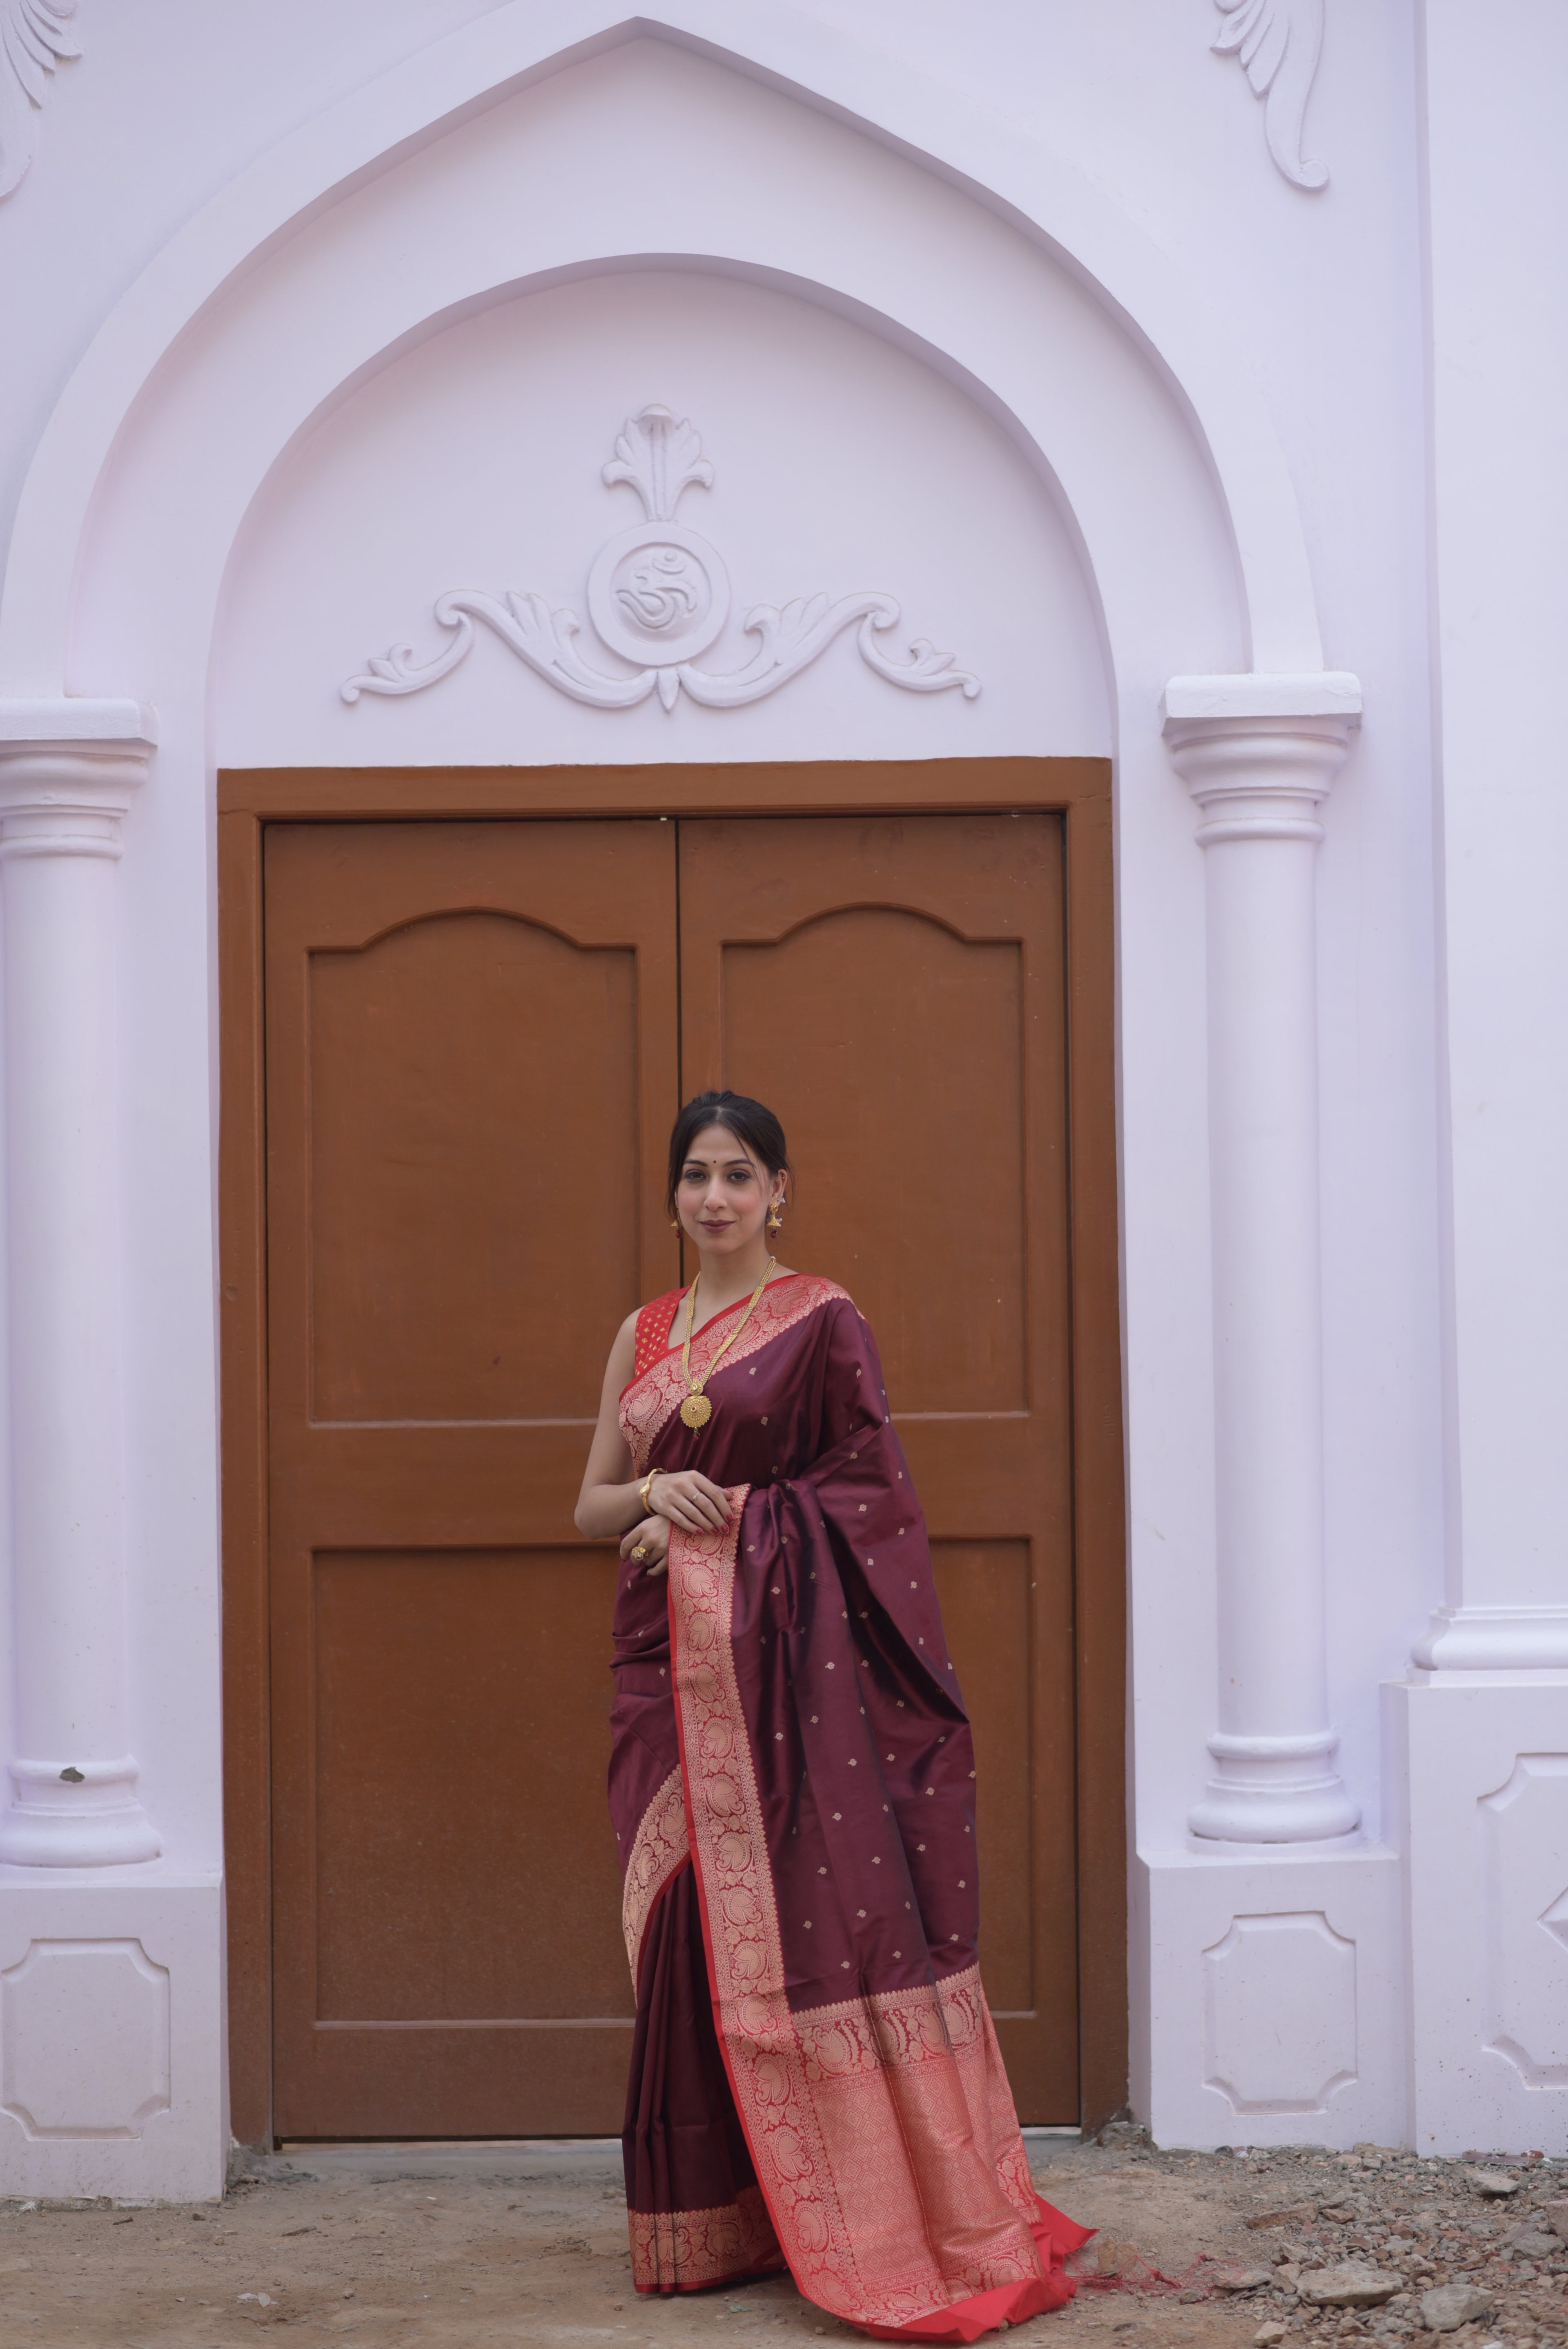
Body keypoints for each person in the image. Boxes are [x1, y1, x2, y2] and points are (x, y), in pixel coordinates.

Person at [575, 1091, 1088, 2342]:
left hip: (788, 1690)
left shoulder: (821, 1320)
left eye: (738, 1175)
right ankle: (718, 2220)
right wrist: (654, 1491)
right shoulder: (643, 1334)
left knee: (810, 1929)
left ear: (780, 1190)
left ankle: (865, 2215)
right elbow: (589, 1504)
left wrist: (729, 1522)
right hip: (666, 1672)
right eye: (695, 1175)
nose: (714, 1198)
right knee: (687, 1924)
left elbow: (868, 1503)